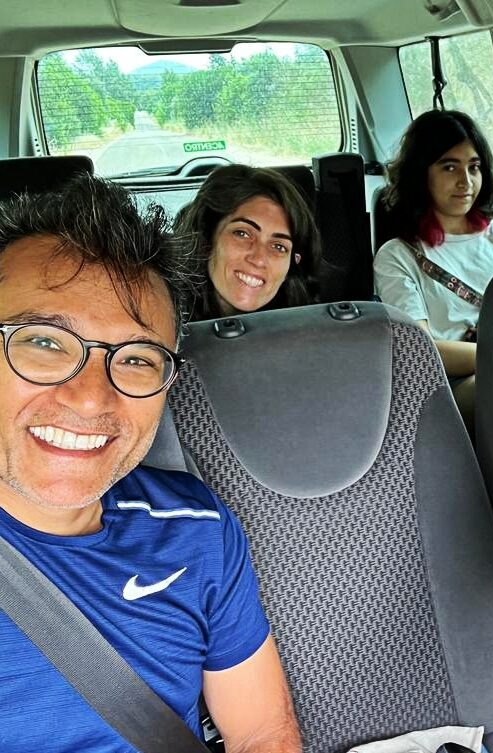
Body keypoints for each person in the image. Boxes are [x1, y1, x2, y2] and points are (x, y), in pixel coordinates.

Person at [0, 173, 301, 752]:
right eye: (43, 342)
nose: (92, 398)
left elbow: (261, 734)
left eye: (137, 359)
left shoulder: (196, 527)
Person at [373, 109, 493, 429]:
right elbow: (420, 350)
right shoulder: (398, 256)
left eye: (473, 167)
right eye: (449, 167)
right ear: (421, 174)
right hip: (450, 385)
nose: (465, 181)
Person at [176, 164, 320, 320]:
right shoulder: (163, 319)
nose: (259, 259)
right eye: (242, 234)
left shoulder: (315, 327)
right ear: (207, 239)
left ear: (292, 266)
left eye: (278, 246)